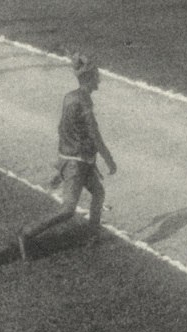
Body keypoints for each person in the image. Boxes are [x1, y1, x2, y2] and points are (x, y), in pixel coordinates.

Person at [17, 53, 116, 261]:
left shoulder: (71, 97)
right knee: (68, 209)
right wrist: (108, 159)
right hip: (76, 163)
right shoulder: (84, 103)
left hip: (76, 159)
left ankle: (93, 235)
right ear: (88, 79)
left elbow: (63, 129)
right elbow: (94, 135)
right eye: (96, 76)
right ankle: (26, 233)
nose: (99, 79)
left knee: (98, 193)